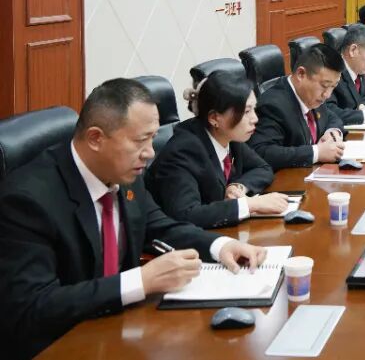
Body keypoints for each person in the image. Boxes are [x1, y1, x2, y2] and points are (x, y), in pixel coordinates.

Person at [0, 78, 265, 358]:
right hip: (61, 345)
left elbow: (159, 226)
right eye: (140, 140)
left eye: (152, 138)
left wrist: (220, 246)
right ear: (95, 138)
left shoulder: (124, 172)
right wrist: (141, 280)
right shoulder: (27, 201)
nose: (150, 153)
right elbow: (33, 307)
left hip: (119, 329)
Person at [146, 73, 287, 228]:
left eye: (254, 109)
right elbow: (186, 215)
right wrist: (249, 204)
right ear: (214, 118)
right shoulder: (183, 151)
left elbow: (262, 168)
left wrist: (238, 186)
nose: (255, 119)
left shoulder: (228, 135)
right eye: (246, 112)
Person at [249, 43, 346, 170]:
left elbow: (331, 116)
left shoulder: (312, 96)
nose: (327, 94)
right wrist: (317, 153)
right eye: (324, 85)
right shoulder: (272, 106)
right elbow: (262, 152)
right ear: (301, 74)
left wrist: (332, 132)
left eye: (333, 86)